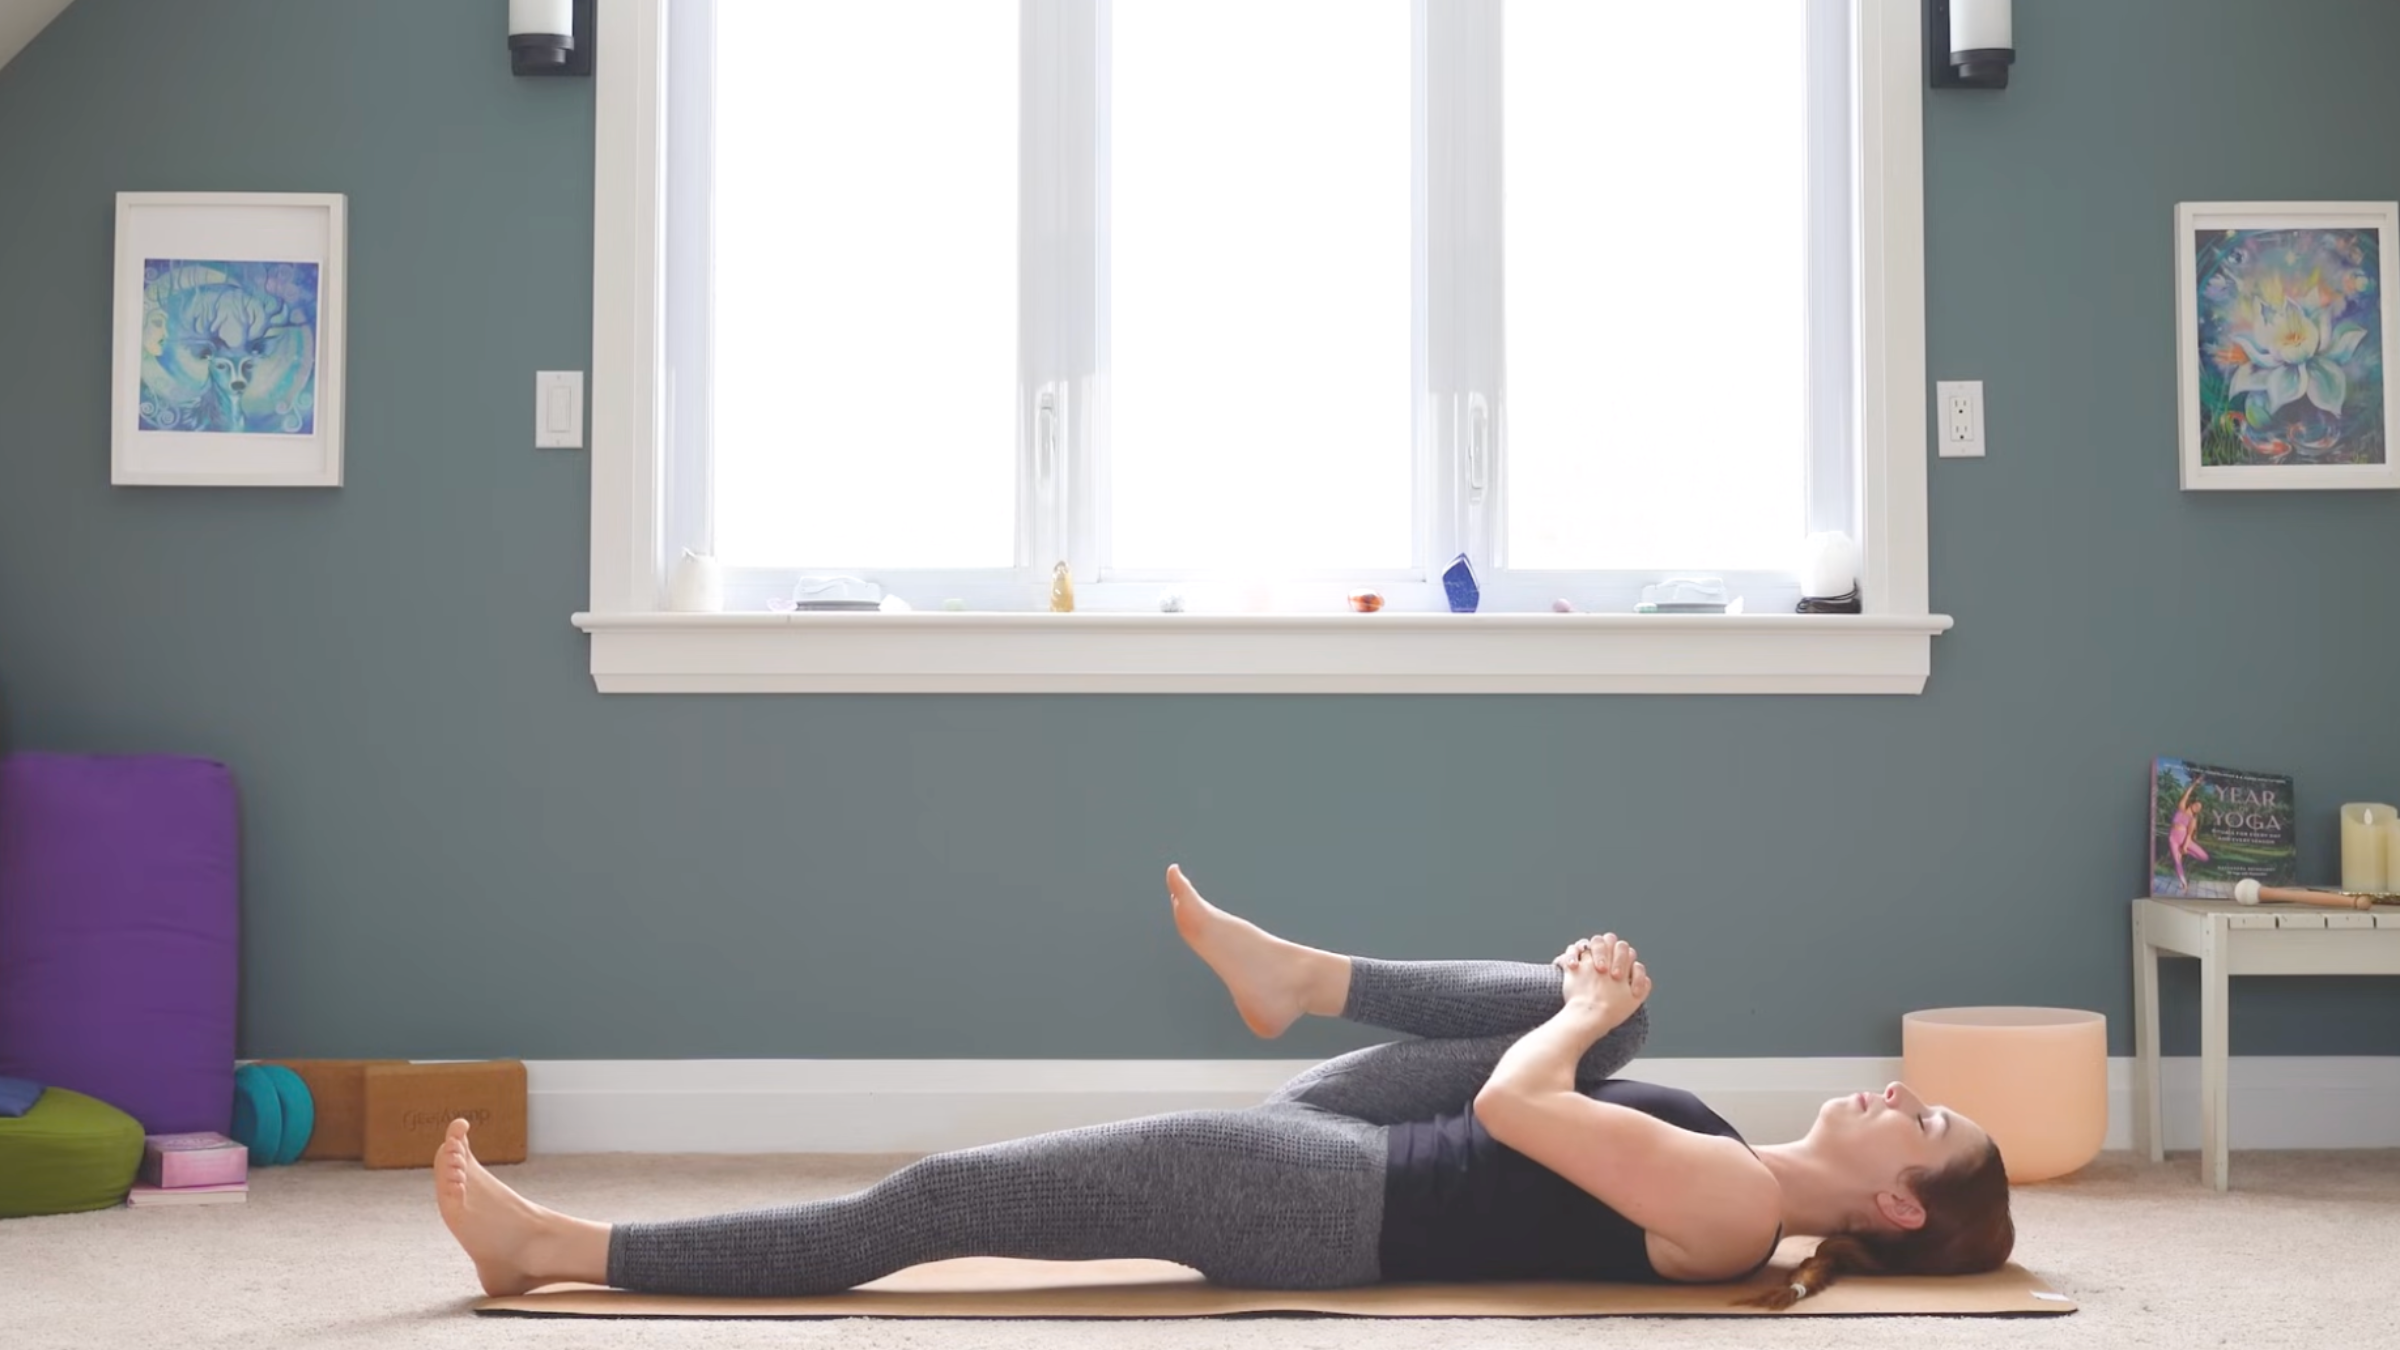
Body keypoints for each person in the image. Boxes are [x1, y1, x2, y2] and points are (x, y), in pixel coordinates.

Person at [435, 866, 2013, 1310]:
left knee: (934, 1202)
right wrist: (1594, 1007)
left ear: (1893, 1201)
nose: (1894, 1086)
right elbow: (1537, 1083)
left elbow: (1521, 1115)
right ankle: (1293, 974)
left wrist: (1587, 1012)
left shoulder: (1740, 1207)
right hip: (1350, 1138)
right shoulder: (1732, 1161)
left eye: (1921, 1119)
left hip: (1323, 1204)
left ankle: (569, 1251)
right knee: (1594, 1009)